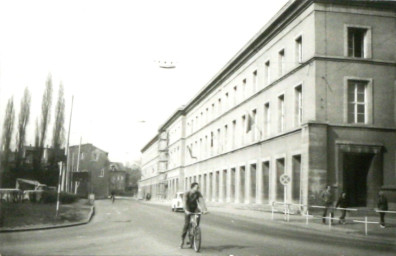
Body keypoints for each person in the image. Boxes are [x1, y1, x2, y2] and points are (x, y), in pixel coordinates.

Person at [180, 182, 208, 249]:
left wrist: (204, 210)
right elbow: (184, 202)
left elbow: (201, 201)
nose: (198, 188)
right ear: (192, 187)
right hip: (188, 208)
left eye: (198, 187)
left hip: (195, 208)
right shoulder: (187, 193)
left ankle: (196, 229)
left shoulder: (198, 193)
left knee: (198, 215)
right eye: (196, 187)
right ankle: (182, 240)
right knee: (186, 224)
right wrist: (186, 210)